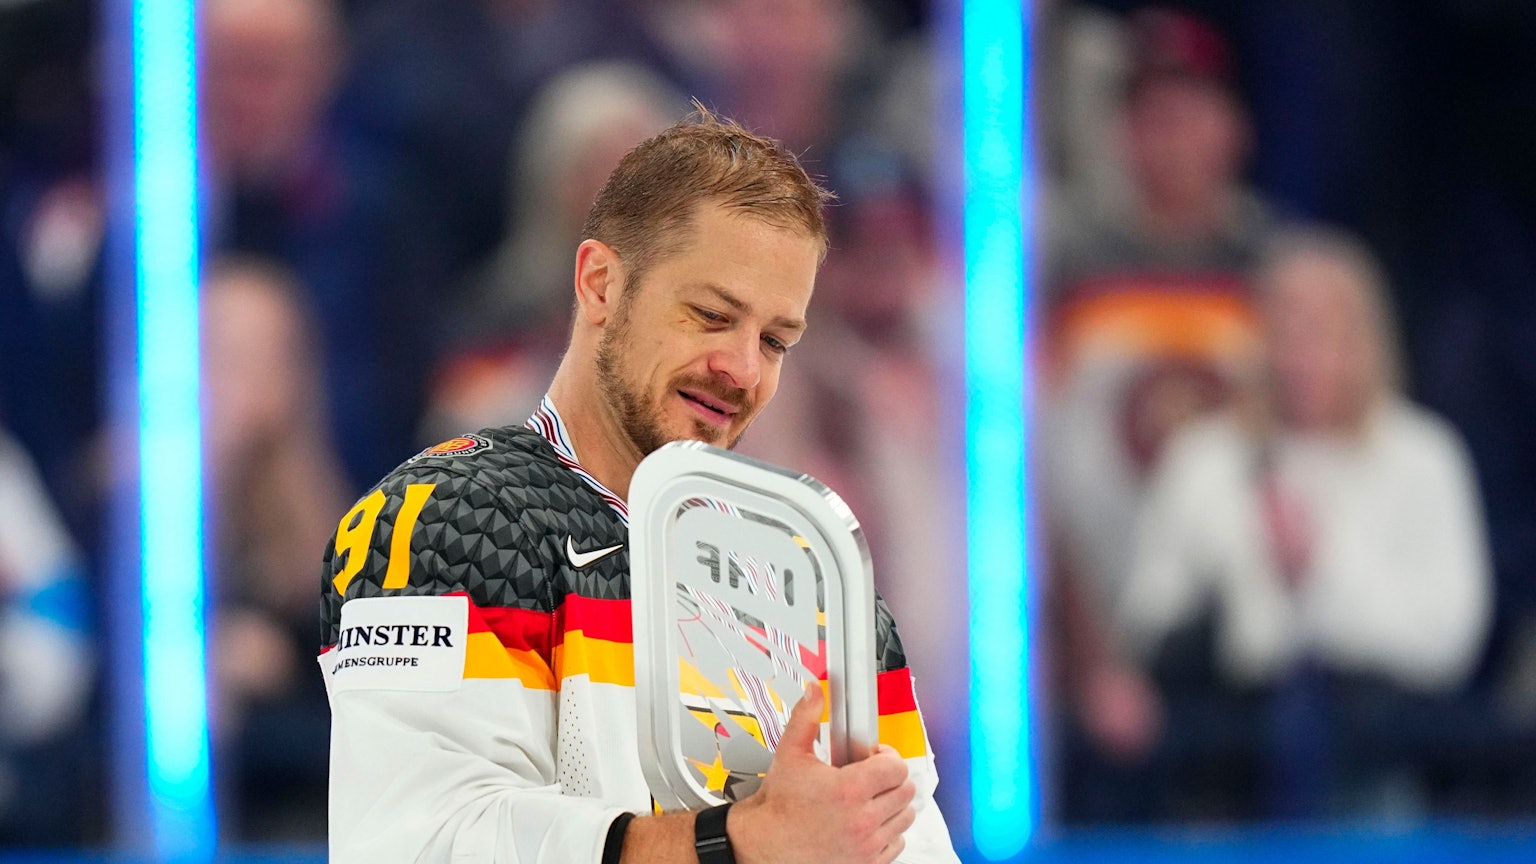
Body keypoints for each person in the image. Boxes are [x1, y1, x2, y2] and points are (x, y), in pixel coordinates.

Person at [319, 110, 959, 864]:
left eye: (774, 340)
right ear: (600, 283)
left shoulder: (818, 582)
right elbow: (421, 843)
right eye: (712, 316)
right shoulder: (447, 521)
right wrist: (739, 842)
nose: (744, 370)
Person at [1117, 228, 1493, 818]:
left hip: (1374, 756)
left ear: (1364, 338)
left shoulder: (1424, 458)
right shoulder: (1205, 459)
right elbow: (1145, 615)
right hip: (1229, 761)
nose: (1298, 354)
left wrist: (1322, 568)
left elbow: (1448, 640)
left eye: (1321, 331)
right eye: (1282, 330)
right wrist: (1218, 610)